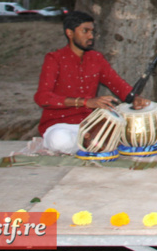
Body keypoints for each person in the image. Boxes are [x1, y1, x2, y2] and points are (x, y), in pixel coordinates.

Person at [34, 11, 150, 154]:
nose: (91, 36)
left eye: (92, 31)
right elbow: (42, 98)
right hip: (59, 125)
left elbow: (117, 84)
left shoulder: (96, 58)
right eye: (85, 31)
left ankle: (93, 144)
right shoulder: (54, 59)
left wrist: (135, 98)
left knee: (132, 132)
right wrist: (84, 102)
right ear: (69, 33)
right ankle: (96, 145)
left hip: (91, 124)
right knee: (60, 141)